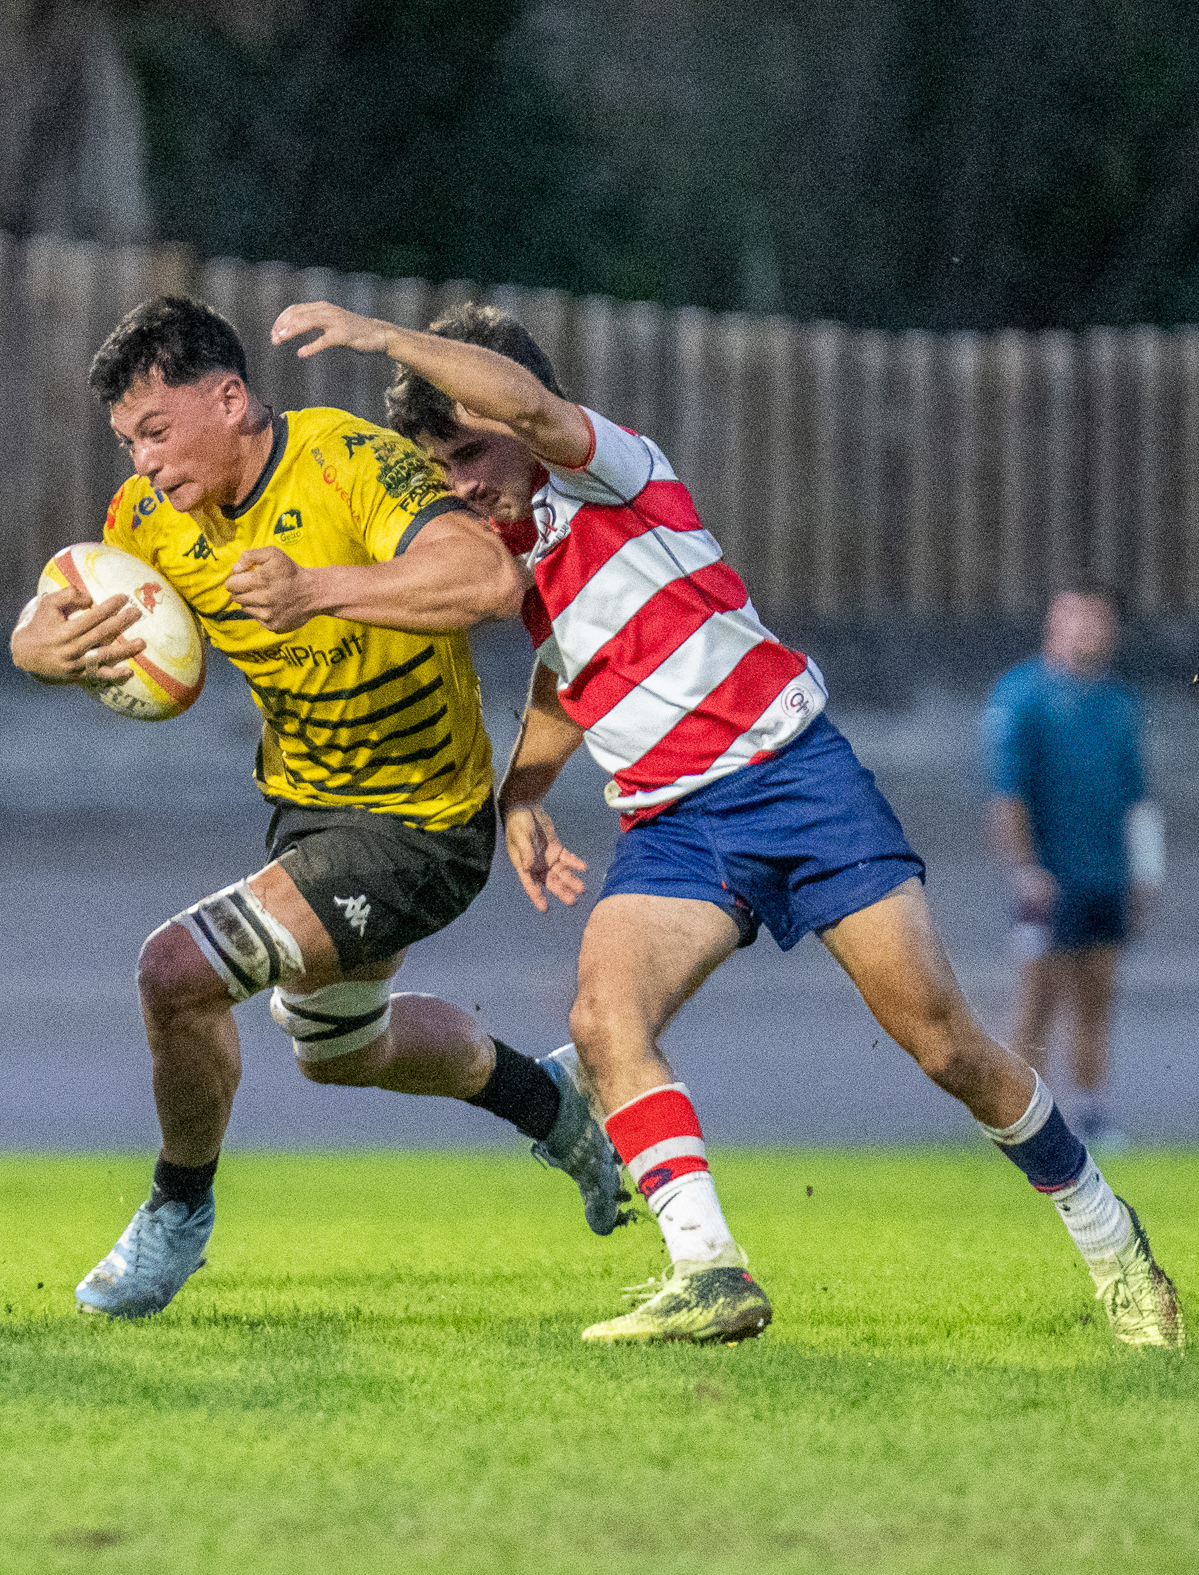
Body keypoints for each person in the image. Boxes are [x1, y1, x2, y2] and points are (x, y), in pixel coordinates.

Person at [266, 297, 1184, 1353]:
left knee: (944, 1047)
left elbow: (521, 400)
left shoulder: (605, 467)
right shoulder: (513, 550)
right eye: (443, 465)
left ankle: (1111, 1241)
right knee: (607, 1023)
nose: (464, 481)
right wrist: (519, 796)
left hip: (795, 781)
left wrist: (382, 337)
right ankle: (708, 1271)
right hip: (672, 826)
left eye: (471, 449)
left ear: (524, 415)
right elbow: (569, 680)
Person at [8, 295, 627, 1320]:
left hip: (422, 826)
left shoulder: (348, 462)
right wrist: (37, 649)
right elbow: (61, 591)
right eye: (126, 443)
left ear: (231, 397)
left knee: (176, 971)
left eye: (158, 432)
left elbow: (482, 575)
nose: (145, 463)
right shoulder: (148, 519)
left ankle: (175, 1212)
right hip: (308, 815)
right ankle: (554, 1104)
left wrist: (317, 589)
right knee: (339, 1049)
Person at [984, 583, 1164, 1152]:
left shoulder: (1118, 702)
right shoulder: (1022, 696)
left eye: (1096, 621)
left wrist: (1146, 870)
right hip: (1049, 879)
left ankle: (1090, 1114)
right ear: (1054, 624)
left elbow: (1137, 794)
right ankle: (1011, 1121)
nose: (1086, 631)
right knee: (1036, 999)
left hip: (1106, 877)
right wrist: (1024, 867)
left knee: (1097, 997)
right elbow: (1005, 793)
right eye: (1075, 619)